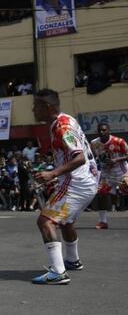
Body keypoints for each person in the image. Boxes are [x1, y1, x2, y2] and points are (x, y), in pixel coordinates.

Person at [31, 89, 98, 285]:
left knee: (46, 221)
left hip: (76, 182)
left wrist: (53, 173)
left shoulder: (61, 127)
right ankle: (72, 260)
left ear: (47, 107)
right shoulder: (66, 120)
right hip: (86, 180)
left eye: (36, 106)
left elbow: (79, 157)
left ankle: (58, 272)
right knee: (66, 221)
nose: (34, 110)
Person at [90, 122, 127, 229]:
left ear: (109, 130)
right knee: (101, 193)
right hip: (106, 173)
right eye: (100, 130)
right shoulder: (94, 143)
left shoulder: (119, 141)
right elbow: (91, 158)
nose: (102, 132)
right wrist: (93, 169)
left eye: (104, 130)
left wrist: (117, 159)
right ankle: (103, 221)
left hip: (122, 171)